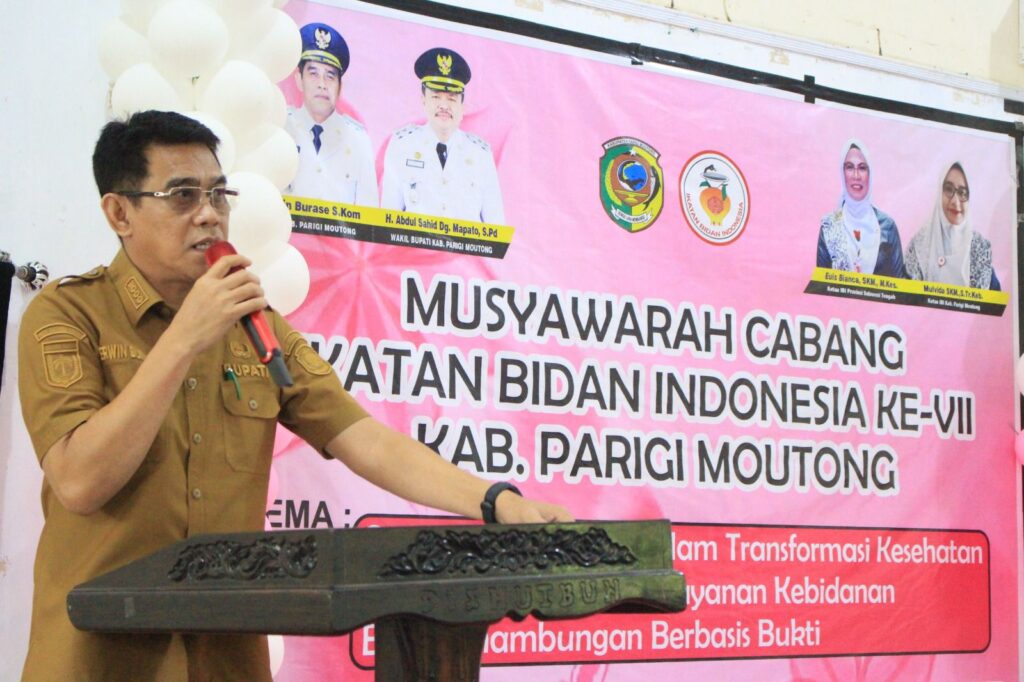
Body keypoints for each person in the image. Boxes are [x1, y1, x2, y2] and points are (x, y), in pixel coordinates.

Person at [17, 111, 570, 681]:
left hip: (224, 657)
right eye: (182, 195)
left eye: (218, 194)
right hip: (101, 658)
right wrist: (183, 340)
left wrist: (494, 501)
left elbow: (365, 440)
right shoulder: (67, 315)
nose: (209, 214)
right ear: (119, 213)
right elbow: (79, 481)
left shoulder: (255, 325)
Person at [380, 47, 505, 223]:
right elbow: (388, 220)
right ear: (423, 100)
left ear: (462, 105)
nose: (444, 106)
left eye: (452, 98)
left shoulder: (480, 154)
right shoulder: (402, 145)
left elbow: (495, 226)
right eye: (436, 97)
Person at [284, 22, 378, 205]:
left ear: (340, 87)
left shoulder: (358, 139)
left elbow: (369, 209)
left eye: (330, 76)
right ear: (299, 79)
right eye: (313, 74)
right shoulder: (283, 126)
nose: (322, 84)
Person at [816, 140, 907, 278]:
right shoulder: (830, 227)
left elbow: (900, 285)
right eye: (849, 167)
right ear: (842, 173)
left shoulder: (887, 227)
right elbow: (821, 285)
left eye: (862, 168)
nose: (856, 176)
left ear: (870, 174)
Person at [904, 162, 999, 290]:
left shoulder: (980, 248)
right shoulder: (918, 246)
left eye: (962, 192)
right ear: (939, 193)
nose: (955, 201)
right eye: (949, 189)